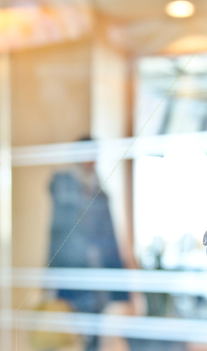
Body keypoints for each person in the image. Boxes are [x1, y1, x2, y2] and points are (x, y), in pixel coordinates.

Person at [47, 136, 129, 351]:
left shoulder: (99, 190)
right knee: (72, 331)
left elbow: (109, 237)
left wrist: (119, 283)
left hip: (97, 275)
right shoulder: (64, 186)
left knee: (93, 334)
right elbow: (57, 234)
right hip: (73, 271)